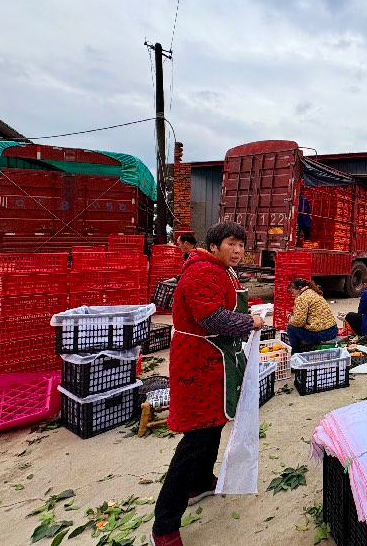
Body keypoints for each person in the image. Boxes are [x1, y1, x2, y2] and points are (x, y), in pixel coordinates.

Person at [152, 222, 265, 546]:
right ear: (213, 245)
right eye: (232, 243)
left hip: (216, 360)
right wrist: (250, 321)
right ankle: (164, 525)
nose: (239, 250)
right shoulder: (202, 271)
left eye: (242, 245)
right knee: (196, 437)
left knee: (213, 423)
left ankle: (199, 482)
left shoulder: (220, 270)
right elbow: (211, 317)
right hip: (197, 361)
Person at [286, 278, 338, 354]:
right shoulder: (313, 292)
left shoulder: (302, 298)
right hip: (333, 331)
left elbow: (299, 322)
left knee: (290, 327)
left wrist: (290, 318)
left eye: (292, 291)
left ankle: (295, 354)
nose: (292, 295)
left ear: (299, 288)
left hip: (323, 335)